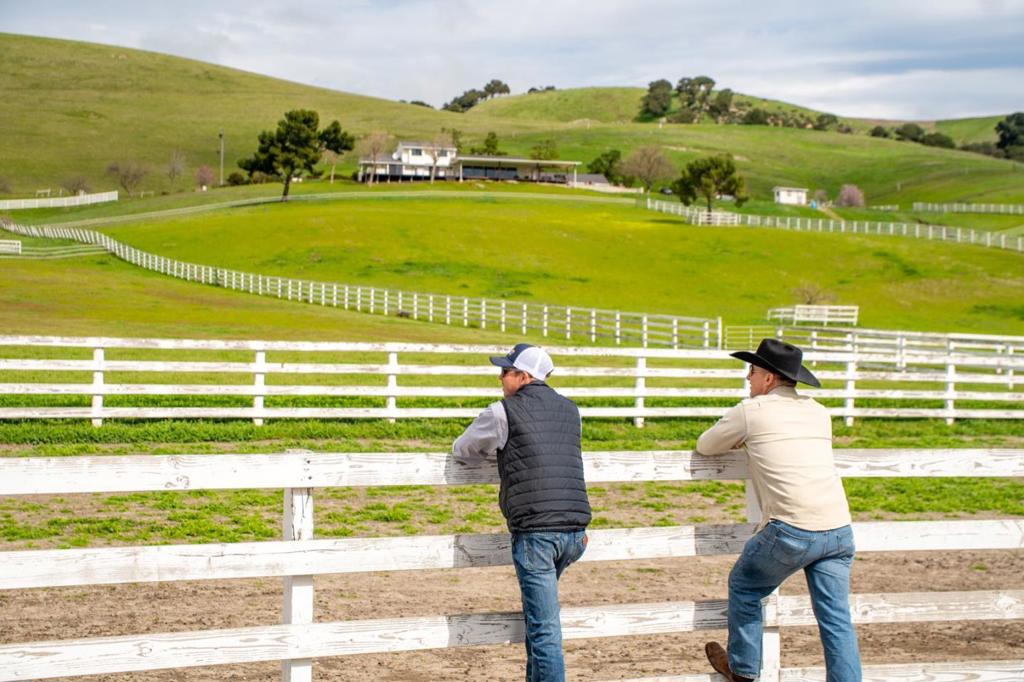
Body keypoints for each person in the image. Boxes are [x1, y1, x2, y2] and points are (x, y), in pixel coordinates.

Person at [695, 338, 861, 682]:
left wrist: (745, 438)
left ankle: (741, 670)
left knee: (745, 586)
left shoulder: (751, 412)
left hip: (793, 530)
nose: (748, 378)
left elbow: (706, 445)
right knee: (835, 618)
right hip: (839, 529)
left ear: (768, 378)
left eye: (752, 371)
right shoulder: (818, 411)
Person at [453, 342, 591, 682]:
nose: (500, 378)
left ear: (523, 376)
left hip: (537, 533)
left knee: (544, 630)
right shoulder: (570, 410)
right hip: (575, 533)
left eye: (505, 371)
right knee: (538, 621)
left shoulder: (503, 411)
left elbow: (463, 449)